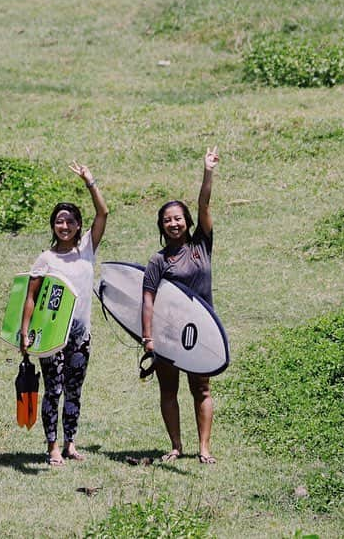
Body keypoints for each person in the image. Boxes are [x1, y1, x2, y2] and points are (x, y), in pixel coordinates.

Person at [20, 161, 109, 467]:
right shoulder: (45, 259)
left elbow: (103, 214)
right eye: (60, 221)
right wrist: (25, 331)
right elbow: (30, 297)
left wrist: (90, 180)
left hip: (81, 336)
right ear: (53, 225)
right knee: (53, 390)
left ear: (78, 225)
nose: (65, 226)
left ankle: (70, 442)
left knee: (74, 390)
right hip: (51, 336)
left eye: (70, 221)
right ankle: (52, 446)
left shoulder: (86, 250)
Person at [141, 146, 220, 465]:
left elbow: (204, 203)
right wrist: (148, 337)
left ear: (187, 221)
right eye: (167, 220)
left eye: (178, 218)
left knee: (201, 389)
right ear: (162, 227)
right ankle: (176, 445)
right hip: (168, 332)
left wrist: (208, 172)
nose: (173, 223)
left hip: (202, 329)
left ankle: (204, 448)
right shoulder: (157, 260)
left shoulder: (202, 243)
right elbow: (147, 298)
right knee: (169, 390)